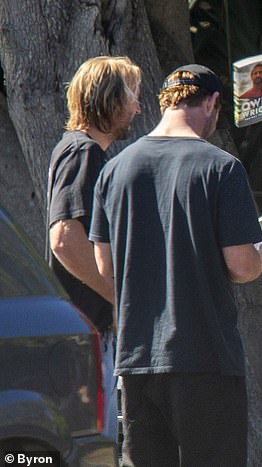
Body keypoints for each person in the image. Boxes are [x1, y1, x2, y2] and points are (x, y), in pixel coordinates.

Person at [89, 64, 262, 467]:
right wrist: (260, 255)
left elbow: (105, 266)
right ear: (214, 102)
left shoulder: (115, 169)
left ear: (165, 102)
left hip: (135, 361)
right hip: (205, 358)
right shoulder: (222, 167)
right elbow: (241, 266)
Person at [47, 55, 142, 441]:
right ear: (109, 100)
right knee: (89, 446)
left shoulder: (84, 151)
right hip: (83, 334)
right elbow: (66, 239)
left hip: (84, 333)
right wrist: (117, 297)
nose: (138, 107)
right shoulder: (84, 152)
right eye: (132, 96)